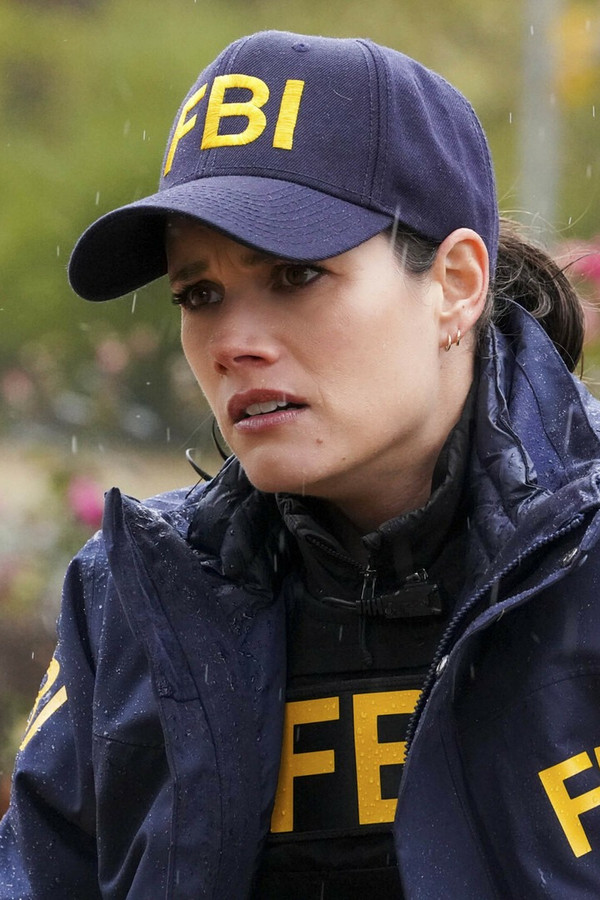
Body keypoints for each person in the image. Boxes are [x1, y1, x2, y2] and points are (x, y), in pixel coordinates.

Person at [1, 28, 599, 900]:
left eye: (294, 276)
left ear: (456, 283)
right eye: (200, 294)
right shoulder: (131, 597)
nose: (233, 343)